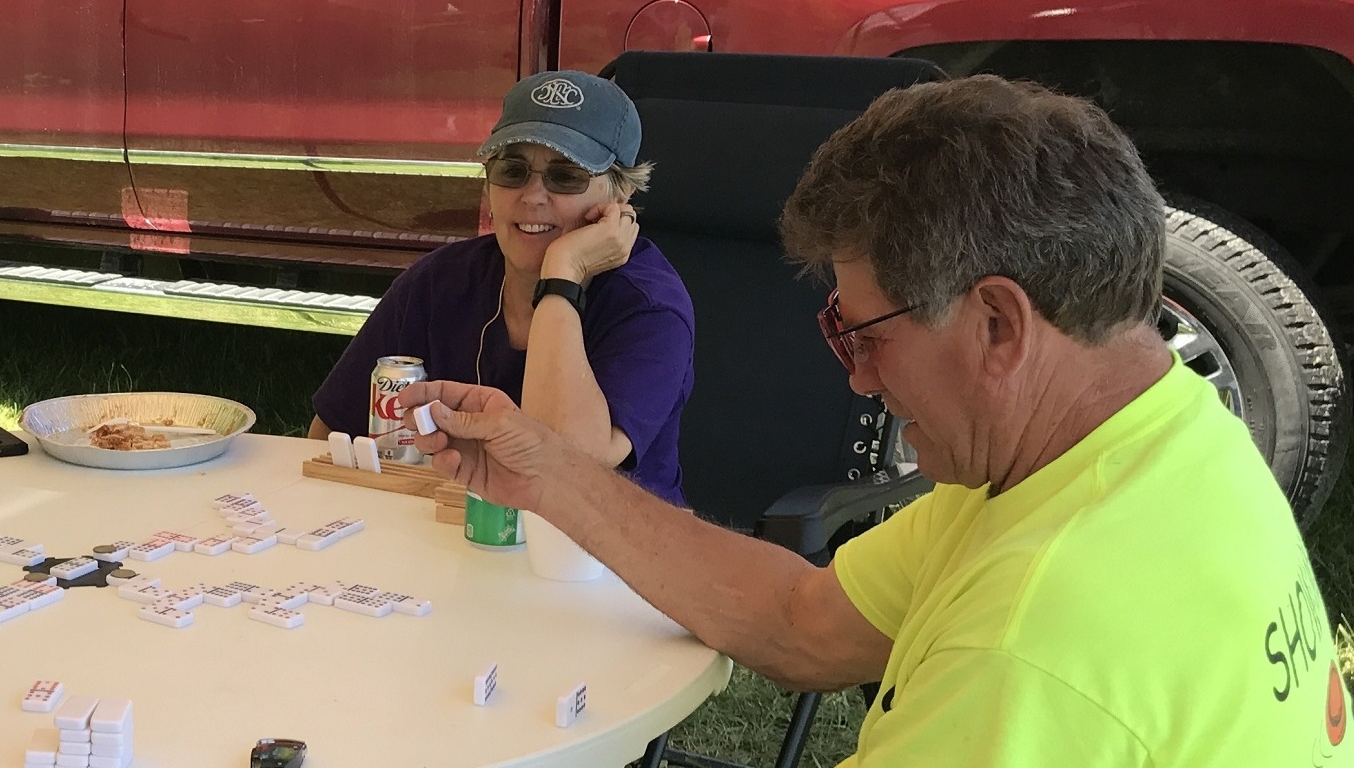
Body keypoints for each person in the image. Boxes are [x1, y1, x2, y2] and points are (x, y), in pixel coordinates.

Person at [399, 75, 1351, 764]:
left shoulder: (1031, 646)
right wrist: (554, 476)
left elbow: (1025, 659)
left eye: (861, 334)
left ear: (997, 323)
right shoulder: (1154, 439)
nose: (857, 381)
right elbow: (802, 623)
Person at [311, 70, 693, 506]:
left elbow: (564, 470)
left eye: (566, 176)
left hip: (608, 544)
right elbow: (328, 434)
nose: (532, 196)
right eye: (512, 170)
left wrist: (562, 276)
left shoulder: (649, 308)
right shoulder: (438, 281)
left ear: (620, 195)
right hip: (450, 531)